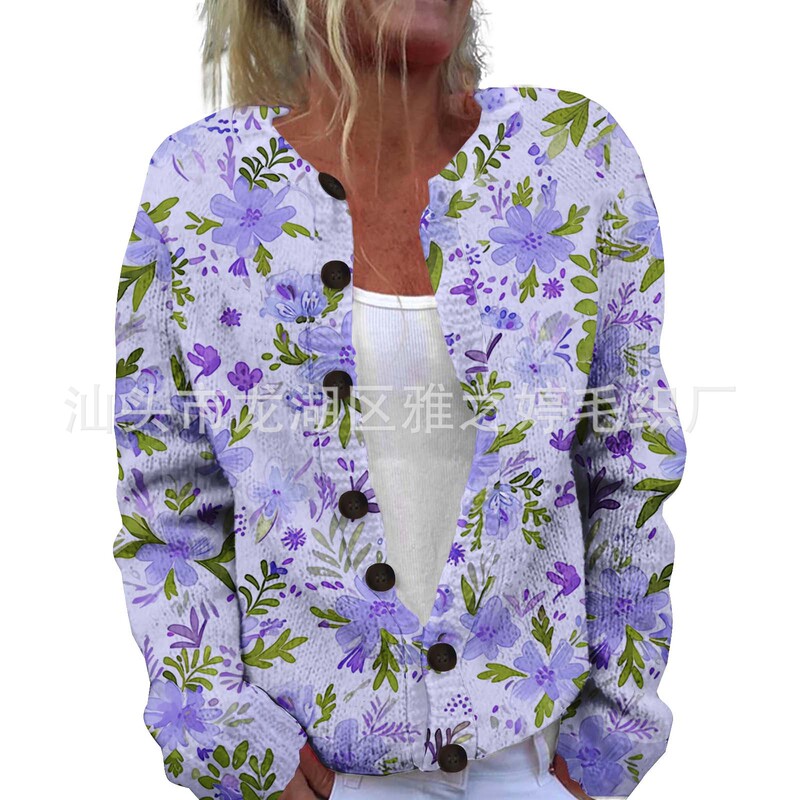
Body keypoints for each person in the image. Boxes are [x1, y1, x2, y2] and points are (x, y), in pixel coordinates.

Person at [112, 2, 686, 799]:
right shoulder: (199, 186)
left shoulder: (573, 156)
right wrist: (229, 741)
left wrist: (605, 751)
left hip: (534, 763)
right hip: (310, 775)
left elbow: (629, 462)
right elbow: (167, 506)